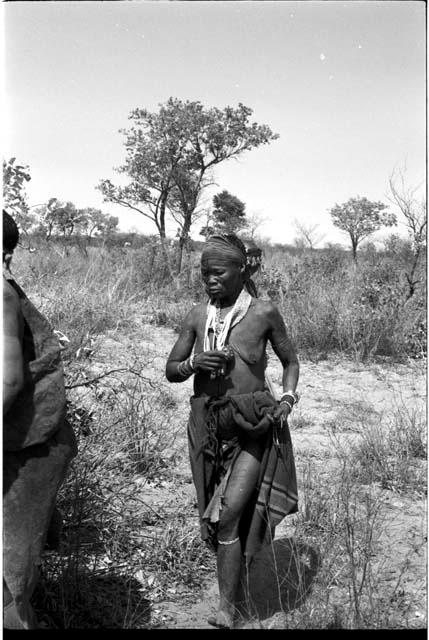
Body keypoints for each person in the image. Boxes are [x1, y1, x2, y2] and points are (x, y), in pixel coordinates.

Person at [165, 233, 299, 629]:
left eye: (218, 273)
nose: (210, 281)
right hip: (208, 427)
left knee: (227, 514)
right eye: (205, 274)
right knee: (219, 519)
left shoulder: (263, 313)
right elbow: (172, 370)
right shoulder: (196, 316)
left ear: (242, 270)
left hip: (252, 426)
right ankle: (235, 584)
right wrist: (195, 364)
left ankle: (227, 608)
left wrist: (288, 401)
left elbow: (291, 361)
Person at [3, 210, 77, 629]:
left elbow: (10, 381)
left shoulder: (2, 293)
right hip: (18, 440)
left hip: (31, 445)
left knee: (10, 586)